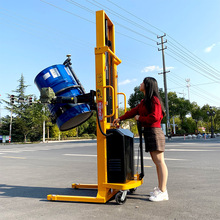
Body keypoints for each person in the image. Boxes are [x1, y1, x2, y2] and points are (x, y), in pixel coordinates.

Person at [113, 77, 168, 202]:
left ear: (148, 85)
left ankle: (163, 191)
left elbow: (155, 117)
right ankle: (161, 189)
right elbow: (133, 112)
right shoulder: (145, 101)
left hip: (155, 132)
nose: (140, 83)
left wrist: (140, 118)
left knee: (160, 162)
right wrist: (120, 118)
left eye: (143, 82)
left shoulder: (154, 100)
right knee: (157, 162)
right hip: (149, 132)